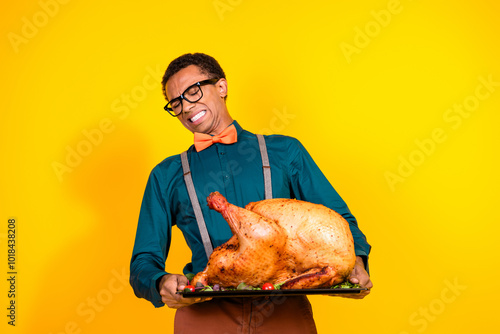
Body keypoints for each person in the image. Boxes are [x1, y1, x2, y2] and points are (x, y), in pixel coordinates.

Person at [130, 53, 372, 333]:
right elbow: (143, 261)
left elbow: (339, 218)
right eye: (176, 102)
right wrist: (160, 282)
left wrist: (357, 262)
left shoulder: (285, 152)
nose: (185, 107)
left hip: (284, 314)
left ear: (221, 87)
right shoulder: (166, 174)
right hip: (204, 318)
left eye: (193, 91)